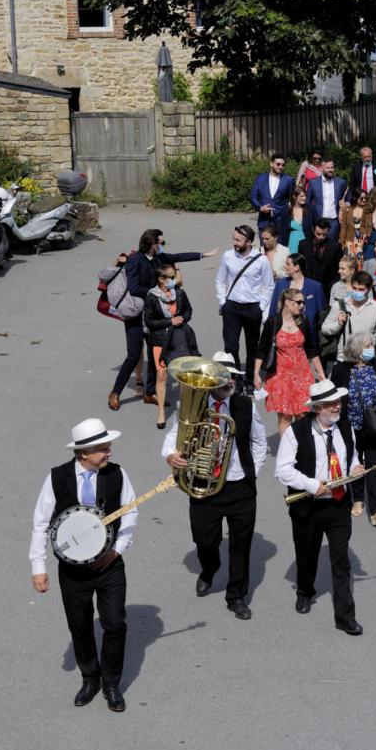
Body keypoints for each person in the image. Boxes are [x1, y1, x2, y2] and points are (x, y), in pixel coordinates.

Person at [29, 417, 136, 711]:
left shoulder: (117, 474)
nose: (109, 452)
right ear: (84, 453)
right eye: (103, 448)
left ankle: (111, 683)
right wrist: (39, 568)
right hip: (72, 571)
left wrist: (117, 550)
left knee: (115, 624)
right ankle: (90, 678)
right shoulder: (57, 477)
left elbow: (130, 512)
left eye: (109, 446)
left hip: (110, 565)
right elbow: (40, 523)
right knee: (80, 626)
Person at [162, 352, 266, 620]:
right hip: (203, 484)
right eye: (223, 376)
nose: (229, 381)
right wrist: (170, 455)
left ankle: (236, 596)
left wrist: (250, 471)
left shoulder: (246, 406)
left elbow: (259, 442)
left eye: (232, 376)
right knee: (204, 541)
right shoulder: (194, 402)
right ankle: (209, 569)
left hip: (240, 487)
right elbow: (173, 435)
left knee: (241, 545)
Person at [274, 381, 365, 635]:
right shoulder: (295, 432)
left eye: (338, 401)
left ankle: (345, 617)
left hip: (338, 505)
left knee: (341, 562)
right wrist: (313, 485)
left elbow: (353, 456)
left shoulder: (345, 427)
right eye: (331, 403)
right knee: (306, 554)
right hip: (308, 506)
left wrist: (356, 468)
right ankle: (304, 591)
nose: (337, 406)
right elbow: (282, 470)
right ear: (317, 408)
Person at [112, 229, 218, 410]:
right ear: (152, 244)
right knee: (133, 355)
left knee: (156, 356)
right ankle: (115, 393)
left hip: (153, 315)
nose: (162, 246)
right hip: (137, 314)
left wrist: (203, 255)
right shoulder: (135, 260)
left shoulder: (158, 259)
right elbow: (134, 287)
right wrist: (154, 293)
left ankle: (150, 392)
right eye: (160, 243)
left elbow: (179, 256)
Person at [344, 326, 376, 529]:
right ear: (358, 349)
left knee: (373, 466)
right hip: (352, 426)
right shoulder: (343, 370)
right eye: (368, 346)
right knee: (356, 463)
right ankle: (357, 499)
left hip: (374, 426)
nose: (372, 349)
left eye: (372, 345)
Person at [255, 286, 324, 435]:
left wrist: (321, 373)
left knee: (302, 415)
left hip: (302, 376)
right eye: (299, 302)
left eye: (303, 303)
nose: (302, 306)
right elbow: (261, 349)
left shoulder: (303, 323)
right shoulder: (273, 322)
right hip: (281, 377)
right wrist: (256, 373)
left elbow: (312, 350)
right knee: (285, 417)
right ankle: (287, 452)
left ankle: (302, 451)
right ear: (287, 302)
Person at [142, 261, 197, 429]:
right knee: (162, 375)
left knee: (183, 374)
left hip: (179, 337)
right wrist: (169, 321)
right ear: (161, 279)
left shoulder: (179, 293)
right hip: (159, 340)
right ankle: (161, 412)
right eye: (171, 277)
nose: (175, 280)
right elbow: (149, 322)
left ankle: (184, 410)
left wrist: (182, 319)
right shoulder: (151, 297)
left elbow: (188, 311)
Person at [216, 224, 274, 377]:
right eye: (234, 239)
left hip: (252, 308)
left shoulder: (261, 260)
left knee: (252, 348)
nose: (235, 243)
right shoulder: (228, 256)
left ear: (249, 242)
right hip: (232, 308)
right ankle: (234, 379)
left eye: (238, 240)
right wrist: (223, 302)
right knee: (230, 347)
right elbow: (220, 281)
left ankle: (249, 379)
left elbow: (268, 286)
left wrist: (261, 307)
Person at [323, 258, 376, 398]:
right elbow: (325, 328)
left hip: (367, 362)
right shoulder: (341, 305)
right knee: (342, 401)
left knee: (365, 402)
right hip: (344, 359)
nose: (357, 292)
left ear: (368, 290)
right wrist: (338, 324)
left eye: (361, 289)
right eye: (354, 288)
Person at [272, 251, 327, 327]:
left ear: (297, 267)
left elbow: (322, 313)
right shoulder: (280, 284)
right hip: (283, 330)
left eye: (288, 264)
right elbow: (273, 308)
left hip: (308, 333)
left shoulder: (315, 287)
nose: (285, 267)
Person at [250, 153, 294, 244]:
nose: (281, 167)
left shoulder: (288, 180)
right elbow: (253, 197)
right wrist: (260, 208)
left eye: (283, 165)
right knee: (265, 250)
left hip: (281, 222)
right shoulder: (260, 178)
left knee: (280, 250)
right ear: (271, 164)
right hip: (264, 221)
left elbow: (293, 197)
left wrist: (290, 209)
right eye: (278, 164)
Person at [305, 159, 347, 245]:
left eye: (332, 167)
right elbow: (308, 202)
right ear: (322, 168)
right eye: (328, 167)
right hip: (318, 220)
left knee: (331, 246)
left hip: (333, 221)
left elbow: (348, 197)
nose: (331, 169)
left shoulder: (341, 183)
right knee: (317, 246)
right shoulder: (313, 183)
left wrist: (346, 204)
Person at [304, 216, 343, 292]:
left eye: (324, 234)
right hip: (308, 286)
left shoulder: (335, 247)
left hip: (327, 288)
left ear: (328, 231)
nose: (321, 237)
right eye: (318, 234)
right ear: (313, 229)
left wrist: (332, 285)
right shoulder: (304, 245)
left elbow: (338, 268)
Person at [287, 189, 309, 255]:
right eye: (301, 196)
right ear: (294, 197)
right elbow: (283, 231)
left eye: (305, 196)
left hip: (306, 241)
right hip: (292, 242)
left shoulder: (310, 209)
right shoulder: (287, 211)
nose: (304, 198)